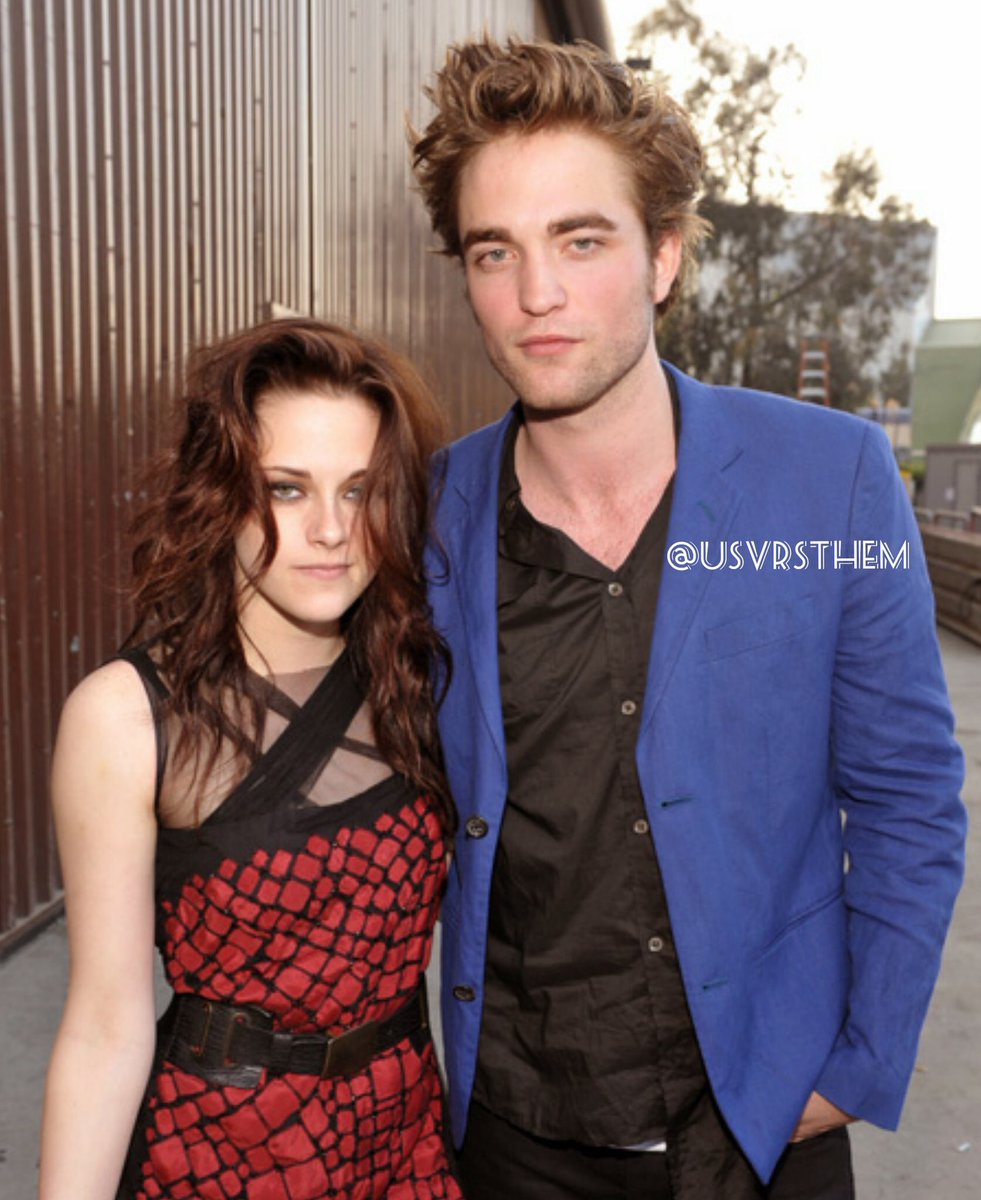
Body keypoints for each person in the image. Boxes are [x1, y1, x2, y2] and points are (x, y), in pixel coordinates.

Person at [409, 36, 967, 1200]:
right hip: (515, 1137)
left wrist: (859, 1061)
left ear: (662, 255)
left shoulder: (833, 479)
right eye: (495, 251)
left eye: (581, 240)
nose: (537, 294)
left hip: (766, 1127)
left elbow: (909, 794)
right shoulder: (425, 519)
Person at [39, 318, 462, 1200]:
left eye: (359, 490)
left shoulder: (421, 678)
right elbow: (106, 1024)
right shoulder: (127, 718)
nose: (331, 530)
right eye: (286, 488)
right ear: (221, 493)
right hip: (218, 1154)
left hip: (404, 1145)